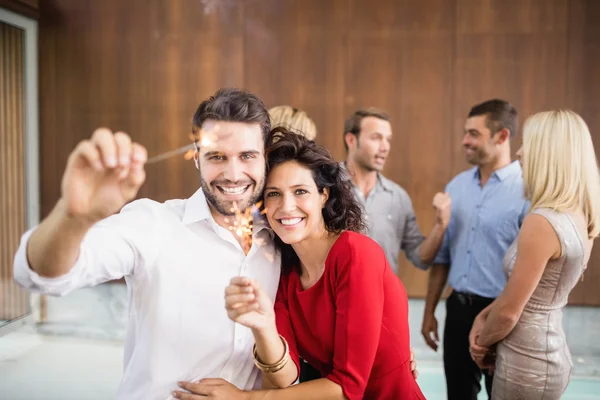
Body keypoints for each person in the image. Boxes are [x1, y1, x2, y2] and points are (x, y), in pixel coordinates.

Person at [13, 88, 282, 400]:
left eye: (247, 156)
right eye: (217, 157)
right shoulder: (152, 224)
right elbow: (45, 276)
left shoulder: (280, 239)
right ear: (196, 158)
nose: (233, 174)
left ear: (265, 159)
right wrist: (74, 217)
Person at [173, 130, 426, 399]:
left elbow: (348, 386)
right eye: (273, 194)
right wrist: (263, 327)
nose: (287, 206)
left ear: (324, 196)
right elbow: (285, 375)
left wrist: (243, 397)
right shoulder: (285, 271)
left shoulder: (355, 253)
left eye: (300, 191)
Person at [469, 110, 600, 399]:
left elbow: (510, 312)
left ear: (547, 153)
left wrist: (481, 345)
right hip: (546, 353)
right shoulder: (581, 214)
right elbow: (532, 295)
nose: (519, 152)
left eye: (527, 143)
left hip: (526, 362)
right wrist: (483, 315)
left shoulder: (542, 221)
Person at [421, 99, 530, 400]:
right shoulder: (456, 186)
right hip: (457, 310)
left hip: (502, 314)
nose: (464, 141)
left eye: (474, 134)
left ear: (502, 136)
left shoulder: (528, 190)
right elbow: (441, 258)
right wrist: (429, 312)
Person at [342, 108, 451, 273]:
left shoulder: (398, 197)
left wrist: (440, 225)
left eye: (388, 139)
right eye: (376, 138)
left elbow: (421, 258)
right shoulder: (323, 187)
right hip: (333, 296)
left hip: (382, 297)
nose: (385, 147)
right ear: (351, 140)